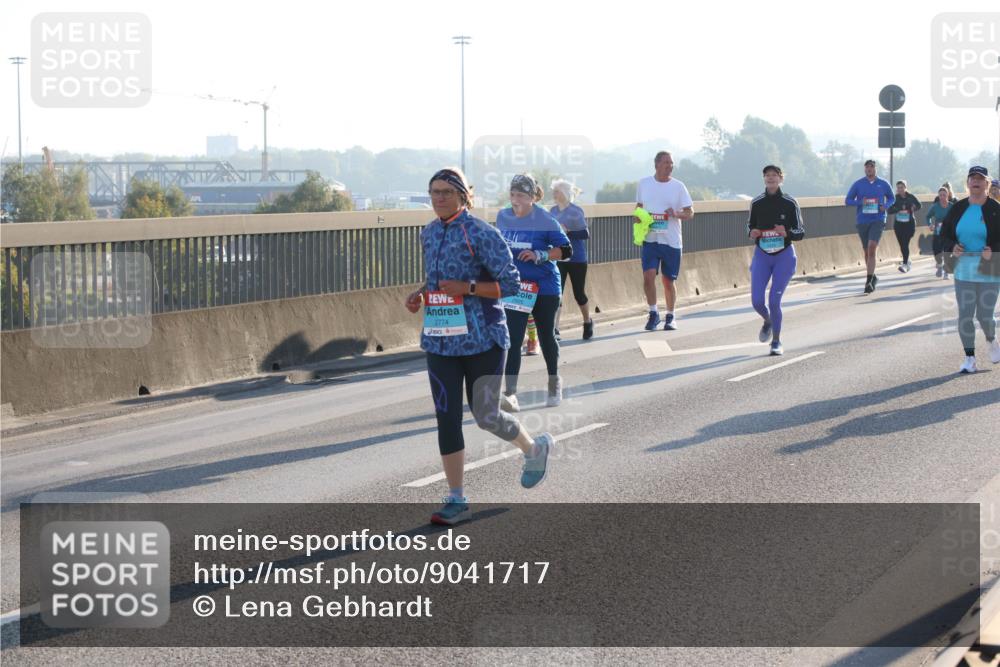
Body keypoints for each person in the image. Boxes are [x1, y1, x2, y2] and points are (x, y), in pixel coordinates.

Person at [405, 168, 554, 525]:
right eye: (434, 192)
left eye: (446, 191)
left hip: (484, 339)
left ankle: (533, 449)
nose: (439, 198)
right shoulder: (428, 232)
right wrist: (421, 294)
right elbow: (437, 279)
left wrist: (468, 288)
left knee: (486, 416)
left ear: (463, 196)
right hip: (441, 340)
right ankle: (456, 498)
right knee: (446, 416)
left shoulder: (481, 233)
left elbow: (511, 285)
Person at [496, 174, 572, 410]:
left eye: (520, 195)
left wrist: (540, 255)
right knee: (513, 339)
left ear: (532, 198)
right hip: (517, 287)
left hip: (545, 286)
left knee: (546, 335)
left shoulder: (545, 220)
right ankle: (510, 394)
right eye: (512, 194)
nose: (515, 200)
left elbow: (566, 250)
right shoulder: (503, 216)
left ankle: (554, 383)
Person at [939, 166, 1000, 374]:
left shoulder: (995, 209)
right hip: (964, 267)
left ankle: (991, 339)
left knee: (985, 316)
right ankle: (969, 358)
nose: (976, 181)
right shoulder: (958, 208)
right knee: (965, 315)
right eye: (972, 178)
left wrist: (994, 249)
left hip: (990, 266)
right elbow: (944, 235)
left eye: (980, 179)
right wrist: (952, 246)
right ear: (967, 183)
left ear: (987, 184)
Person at [746, 165, 805, 356]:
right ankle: (768, 321)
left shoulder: (790, 203)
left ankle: (776, 341)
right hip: (762, 255)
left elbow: (800, 232)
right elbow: (749, 227)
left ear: (781, 179)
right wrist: (752, 233)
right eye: (767, 175)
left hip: (784, 256)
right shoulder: (756, 203)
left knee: (774, 301)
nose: (770, 178)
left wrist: (786, 232)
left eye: (774, 175)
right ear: (764, 178)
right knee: (757, 301)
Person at [636, 151, 695, 330]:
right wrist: (640, 218)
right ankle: (653, 313)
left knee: (668, 281)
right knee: (648, 277)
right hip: (650, 239)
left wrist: (675, 214)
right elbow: (639, 208)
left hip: (671, 241)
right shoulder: (644, 184)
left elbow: (690, 213)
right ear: (656, 165)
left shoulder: (678, 186)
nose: (670, 166)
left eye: (671, 163)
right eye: (666, 162)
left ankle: (670, 316)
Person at [550, 179, 594, 340]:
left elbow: (585, 234)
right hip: (559, 257)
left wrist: (567, 232)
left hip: (577, 259)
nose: (554, 194)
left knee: (579, 294)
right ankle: (555, 329)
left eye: (557, 191)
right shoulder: (552, 211)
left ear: (564, 193)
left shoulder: (575, 211)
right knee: (557, 293)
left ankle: (587, 321)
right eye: (554, 191)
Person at [845, 159, 895, 294]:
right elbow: (848, 200)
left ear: (875, 169)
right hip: (862, 220)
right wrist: (860, 202)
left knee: (872, 247)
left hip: (878, 219)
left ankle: (868, 281)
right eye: (867, 167)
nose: (869, 169)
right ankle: (873, 276)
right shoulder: (858, 184)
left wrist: (885, 206)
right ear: (864, 169)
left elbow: (892, 198)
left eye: (871, 167)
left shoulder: (883, 184)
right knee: (867, 251)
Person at [886, 180, 921, 272]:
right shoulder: (895, 198)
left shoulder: (911, 197)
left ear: (905, 188)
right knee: (902, 244)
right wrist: (897, 209)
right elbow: (889, 210)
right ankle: (907, 260)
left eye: (901, 187)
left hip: (909, 224)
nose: (900, 189)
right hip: (899, 225)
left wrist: (914, 208)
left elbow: (919, 205)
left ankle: (905, 264)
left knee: (905, 243)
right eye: (898, 188)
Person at [926, 187, 953, 279]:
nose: (942, 197)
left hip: (948, 234)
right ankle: (940, 265)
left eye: (944, 195)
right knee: (937, 252)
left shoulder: (951, 206)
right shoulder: (935, 206)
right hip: (937, 233)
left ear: (947, 195)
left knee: (947, 252)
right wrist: (930, 224)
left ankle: (946, 272)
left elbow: (957, 217)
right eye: (940, 195)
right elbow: (928, 216)